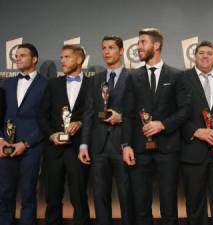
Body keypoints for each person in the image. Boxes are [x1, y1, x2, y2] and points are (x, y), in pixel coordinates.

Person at [121, 28, 191, 225]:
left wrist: (163, 124)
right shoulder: (132, 77)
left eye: (143, 42)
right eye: (138, 43)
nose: (138, 46)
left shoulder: (177, 76)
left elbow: (185, 110)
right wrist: (125, 145)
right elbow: (127, 114)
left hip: (168, 150)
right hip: (139, 150)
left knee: (169, 207)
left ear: (157, 45)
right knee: (141, 208)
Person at [78, 36, 132, 225]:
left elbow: (138, 111)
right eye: (103, 48)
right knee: (100, 197)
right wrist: (83, 144)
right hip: (98, 146)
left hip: (123, 145)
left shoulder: (133, 77)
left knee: (127, 196)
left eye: (111, 47)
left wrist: (122, 116)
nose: (106, 51)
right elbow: (89, 114)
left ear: (121, 50)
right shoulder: (97, 79)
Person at [180, 41, 213, 225]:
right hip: (193, 152)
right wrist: (195, 131)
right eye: (201, 52)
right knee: (195, 204)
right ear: (194, 56)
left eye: (209, 53)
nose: (205, 56)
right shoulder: (182, 79)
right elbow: (175, 113)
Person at [38, 45, 90, 225]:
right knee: (52, 198)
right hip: (54, 150)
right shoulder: (52, 84)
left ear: (79, 60)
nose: (62, 61)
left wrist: (81, 123)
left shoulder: (93, 84)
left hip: (78, 150)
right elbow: (42, 116)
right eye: (61, 57)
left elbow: (94, 115)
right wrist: (52, 134)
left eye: (67, 57)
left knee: (79, 197)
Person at [0, 43, 48, 225]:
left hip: (31, 148)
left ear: (34, 59)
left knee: (28, 195)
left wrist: (26, 143)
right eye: (16, 55)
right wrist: (0, 140)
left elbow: (45, 120)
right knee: (4, 193)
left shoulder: (46, 85)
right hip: (5, 147)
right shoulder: (7, 84)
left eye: (22, 55)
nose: (17, 58)